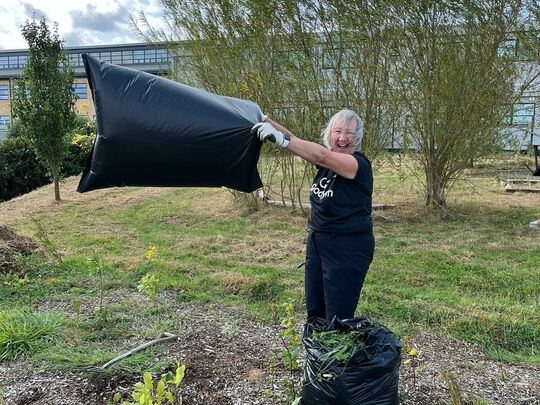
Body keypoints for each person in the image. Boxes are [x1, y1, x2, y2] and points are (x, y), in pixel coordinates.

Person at [252, 110, 374, 323]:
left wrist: (280, 141)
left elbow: (321, 155)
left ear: (358, 137)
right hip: (318, 242)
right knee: (315, 312)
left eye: (349, 133)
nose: (343, 138)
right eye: (337, 131)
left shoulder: (358, 165)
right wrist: (262, 118)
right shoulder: (327, 164)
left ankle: (335, 356)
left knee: (338, 318)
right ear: (329, 134)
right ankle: (316, 354)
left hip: (348, 248)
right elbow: (297, 141)